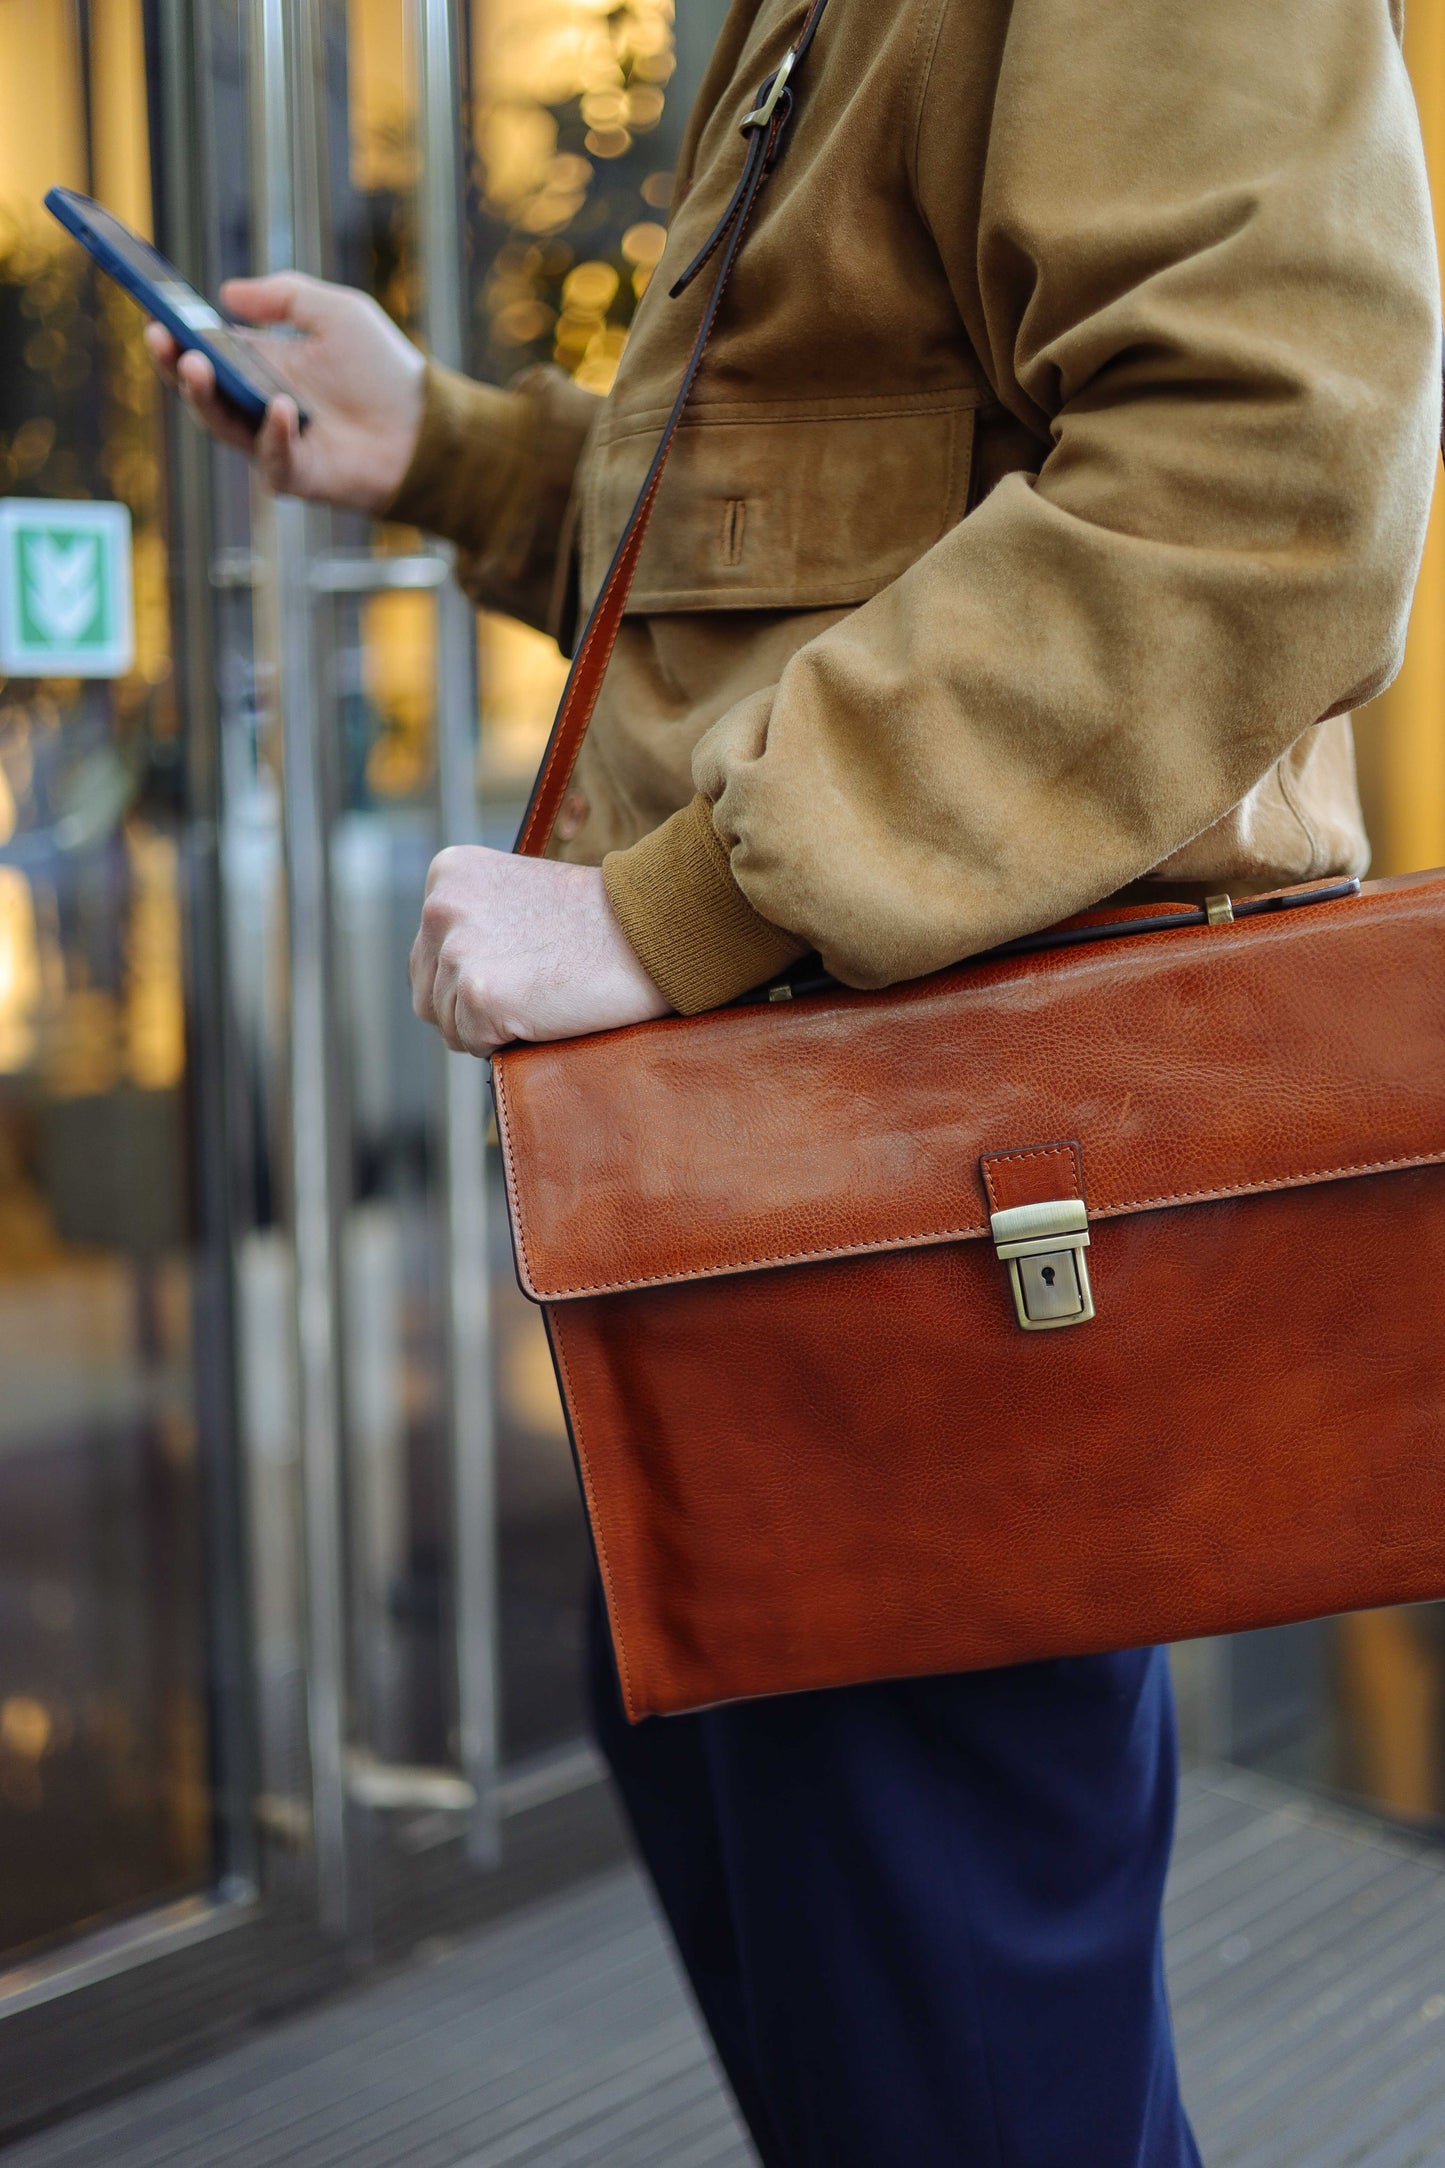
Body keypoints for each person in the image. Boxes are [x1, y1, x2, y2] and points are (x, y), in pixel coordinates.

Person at [149, 0, 1440, 2159]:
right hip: (782, 1209)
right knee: (882, 2013)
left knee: (954, 2048)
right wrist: (447, 448)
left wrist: (675, 911)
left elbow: (1267, 475)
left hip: (934, 1215)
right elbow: (823, 522)